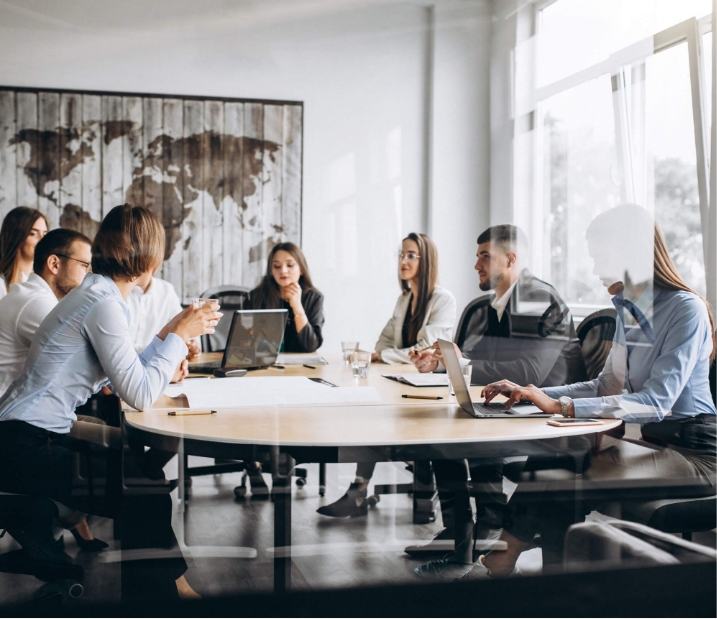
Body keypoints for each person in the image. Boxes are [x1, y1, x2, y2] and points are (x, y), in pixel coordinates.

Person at [461, 205, 716, 580]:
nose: (596, 269)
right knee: (554, 462)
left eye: (601, 256)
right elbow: (603, 385)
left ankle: (509, 564)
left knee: (559, 472)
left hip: (695, 453)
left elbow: (658, 402)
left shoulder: (685, 310)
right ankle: (529, 574)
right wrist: (534, 392)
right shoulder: (632, 311)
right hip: (652, 445)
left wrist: (562, 406)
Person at [0, 203, 222, 600]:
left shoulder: (98, 294)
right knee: (145, 491)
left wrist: (172, 341)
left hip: (26, 433)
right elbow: (136, 393)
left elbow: (128, 373)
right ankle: (164, 595)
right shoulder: (103, 303)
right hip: (21, 442)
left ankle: (165, 591)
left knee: (146, 481)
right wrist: (175, 338)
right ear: (146, 257)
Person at [407, 225, 586, 566]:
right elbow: (477, 360)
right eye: (477, 257)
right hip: (514, 408)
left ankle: (483, 529)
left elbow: (531, 372)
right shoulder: (489, 306)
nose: (477, 265)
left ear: (511, 259)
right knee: (437, 435)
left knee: (451, 436)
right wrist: (441, 362)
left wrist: (464, 361)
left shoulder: (537, 297)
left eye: (485, 257)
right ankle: (463, 530)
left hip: (551, 415)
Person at [317, 232, 457, 518]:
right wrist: (387, 354)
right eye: (400, 255)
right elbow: (383, 344)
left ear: (426, 260)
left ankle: (407, 486)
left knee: (381, 420)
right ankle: (362, 492)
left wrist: (385, 355)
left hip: (429, 386)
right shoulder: (404, 299)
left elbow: (424, 350)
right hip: (402, 379)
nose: (402, 261)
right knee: (371, 413)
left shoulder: (443, 300)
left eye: (410, 255)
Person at [0, 228, 110, 550]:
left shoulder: (25, 295)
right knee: (101, 446)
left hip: (20, 413)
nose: (90, 275)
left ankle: (66, 525)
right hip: (16, 423)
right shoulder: (37, 304)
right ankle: (55, 521)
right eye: (85, 265)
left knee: (98, 432)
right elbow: (92, 356)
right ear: (54, 263)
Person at [246, 242, 324, 353]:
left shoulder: (314, 298)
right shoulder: (257, 296)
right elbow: (248, 341)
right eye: (277, 266)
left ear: (301, 269)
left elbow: (310, 345)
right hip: (264, 363)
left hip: (302, 365)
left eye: (290, 265)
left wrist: (297, 307)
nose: (283, 270)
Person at [127, 275, 201, 357]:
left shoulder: (166, 290)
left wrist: (191, 344)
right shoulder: (118, 290)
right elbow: (119, 350)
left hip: (157, 362)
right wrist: (171, 348)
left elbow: (182, 324)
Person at [0, 206, 49, 300]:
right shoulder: (1, 284)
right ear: (15, 237)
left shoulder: (44, 283)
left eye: (45, 234)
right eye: (33, 234)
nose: (43, 240)